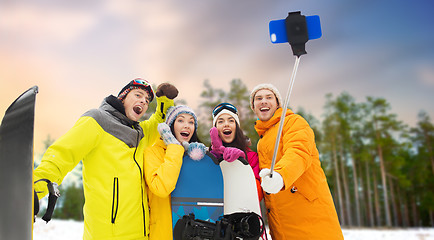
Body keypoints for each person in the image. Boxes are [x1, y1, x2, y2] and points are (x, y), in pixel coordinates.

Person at [33, 78, 178, 240]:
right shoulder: (97, 120)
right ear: (123, 97)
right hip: (106, 234)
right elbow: (63, 154)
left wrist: (165, 100)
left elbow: (160, 121)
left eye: (146, 101)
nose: (143, 102)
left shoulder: (140, 133)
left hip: (140, 234)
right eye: (138, 95)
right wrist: (34, 187)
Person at [250, 83, 344, 240]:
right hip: (282, 225)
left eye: (269, 97)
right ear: (253, 107)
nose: (263, 101)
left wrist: (281, 175)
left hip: (309, 218)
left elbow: (299, 152)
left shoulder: (293, 122)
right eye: (258, 99)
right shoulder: (262, 139)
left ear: (278, 103)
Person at [144, 105, 206, 240]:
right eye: (181, 120)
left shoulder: (193, 155)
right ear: (170, 125)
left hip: (192, 231)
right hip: (163, 233)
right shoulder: (152, 152)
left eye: (191, 122)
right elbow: (161, 188)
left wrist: (203, 158)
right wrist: (174, 147)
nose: (187, 126)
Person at [209, 102, 262, 201]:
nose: (226, 124)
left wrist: (241, 163)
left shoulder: (251, 156)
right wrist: (217, 153)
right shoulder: (208, 157)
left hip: (243, 211)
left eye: (231, 121)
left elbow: (257, 193)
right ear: (215, 129)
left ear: (236, 127)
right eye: (220, 122)